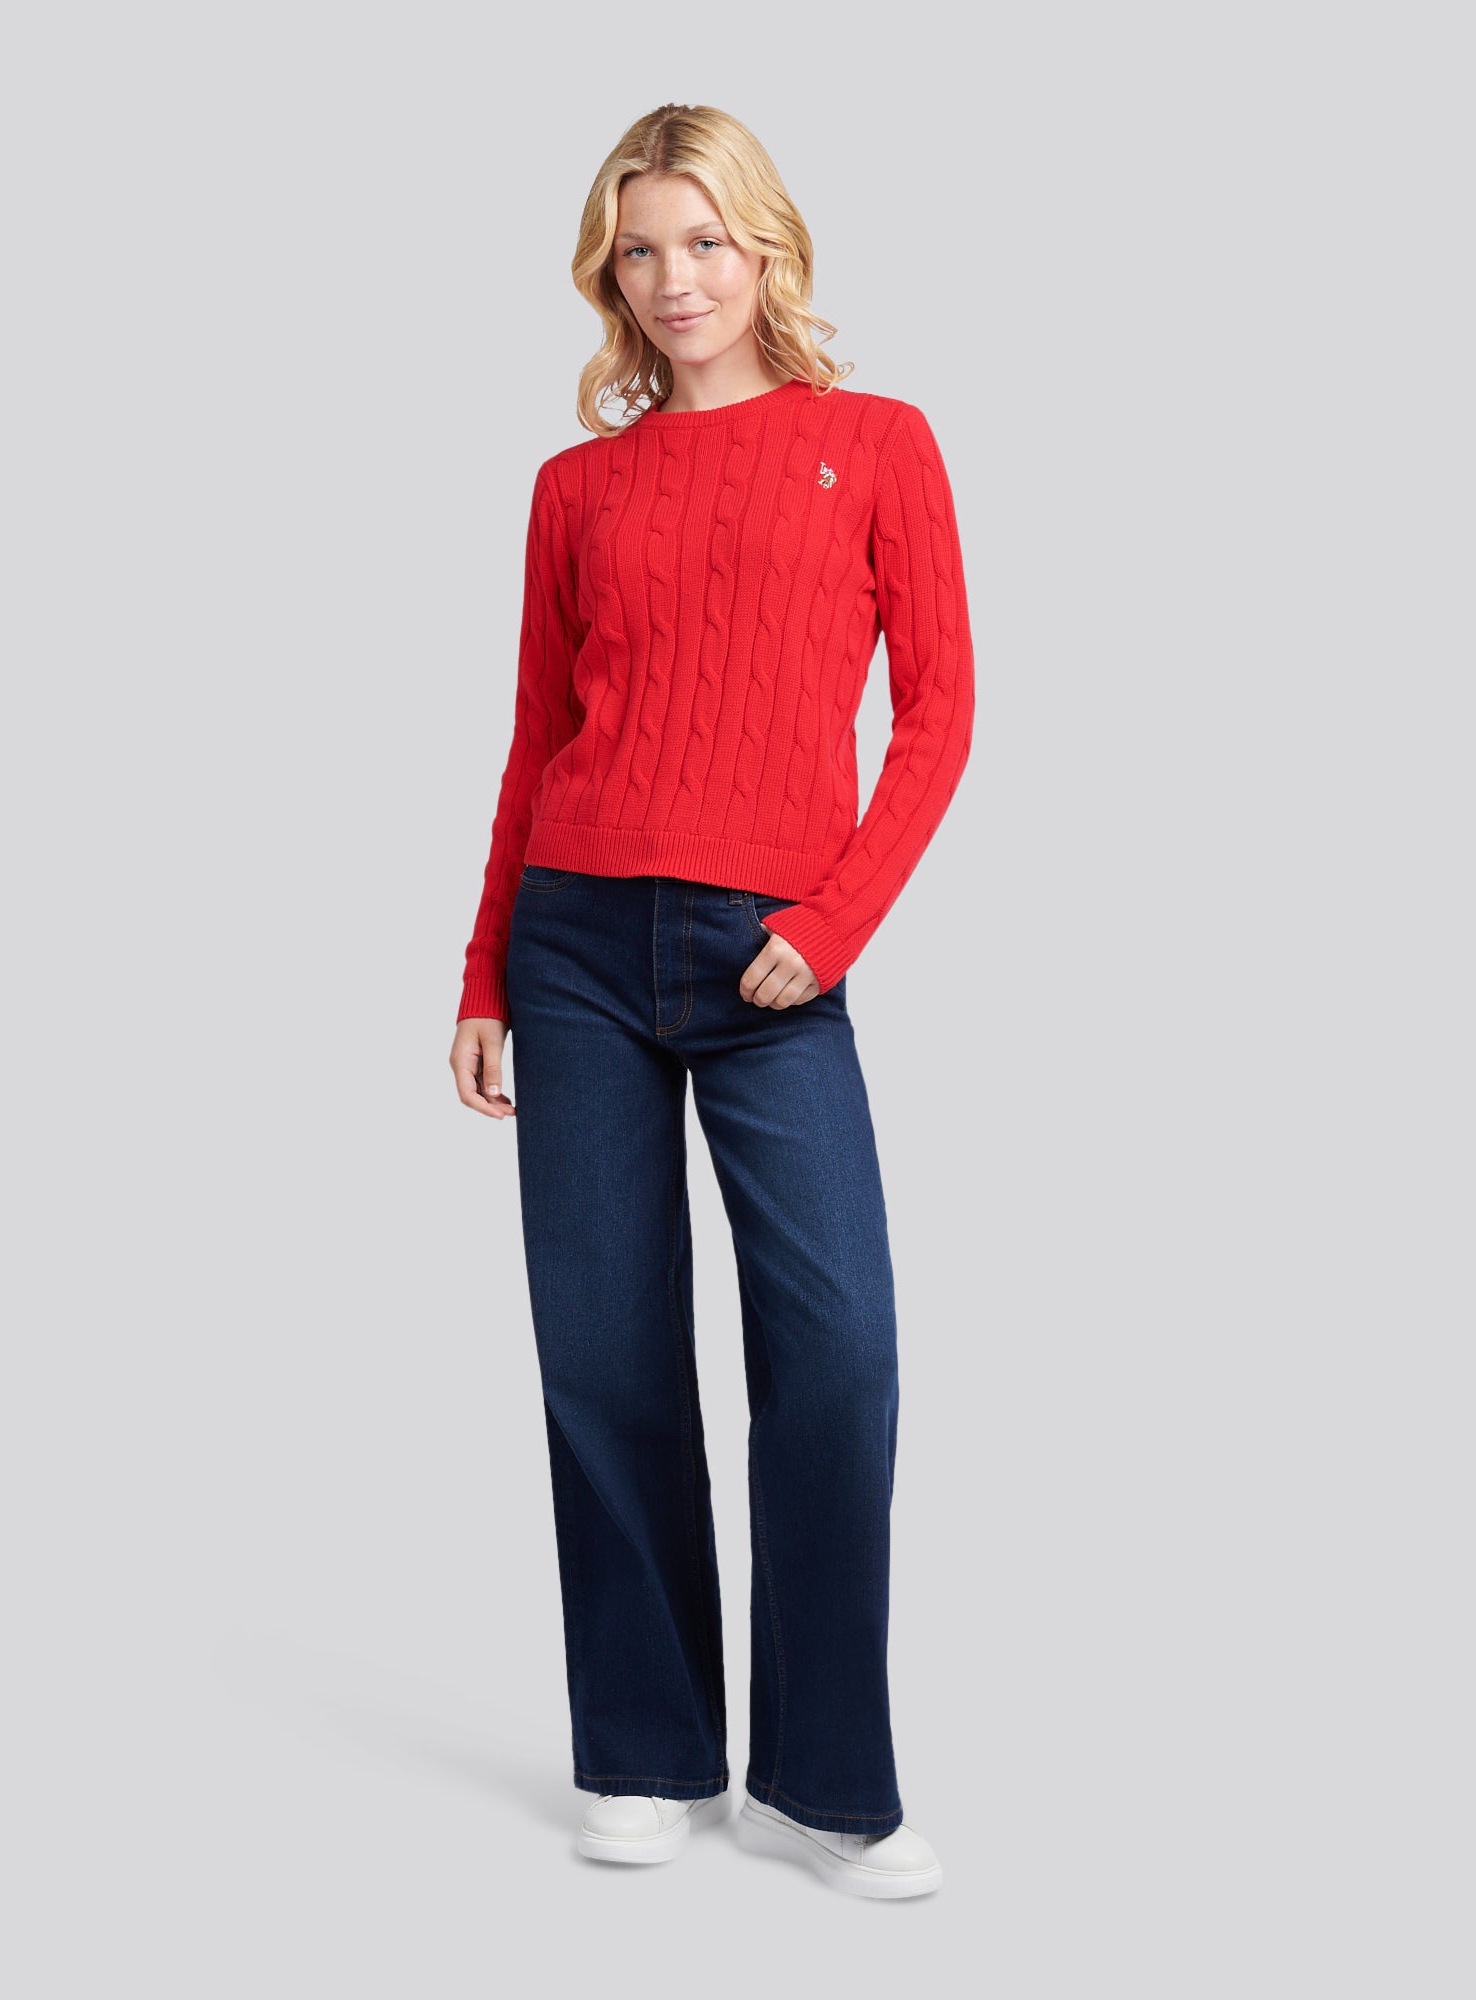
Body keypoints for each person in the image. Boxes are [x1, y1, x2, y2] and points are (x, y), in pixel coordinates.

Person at [449, 103, 974, 1900]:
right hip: (576, 943)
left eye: (704, 240)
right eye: (641, 249)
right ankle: (646, 1750)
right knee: (605, 1354)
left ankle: (823, 1784)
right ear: (610, 271)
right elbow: (538, 740)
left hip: (775, 955)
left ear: (766, 247)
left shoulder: (877, 443)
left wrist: (833, 925)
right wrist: (484, 967)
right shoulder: (575, 489)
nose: (675, 280)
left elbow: (941, 714)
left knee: (837, 1356)